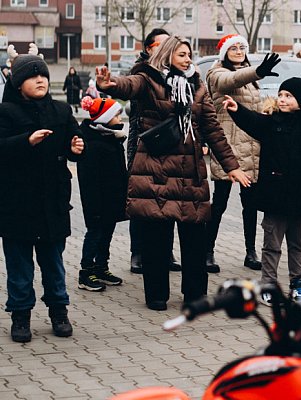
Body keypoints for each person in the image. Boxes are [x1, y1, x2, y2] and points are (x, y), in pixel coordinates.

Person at [95, 35, 251, 311]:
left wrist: (233, 167)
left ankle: (195, 295)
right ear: (167, 56)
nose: (188, 59)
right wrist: (109, 85)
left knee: (194, 237)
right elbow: (128, 86)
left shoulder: (197, 85)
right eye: (182, 54)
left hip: (190, 171)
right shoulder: (148, 78)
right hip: (155, 168)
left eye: (189, 54)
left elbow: (213, 130)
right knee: (156, 236)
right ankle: (156, 296)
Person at [224, 76, 301, 301]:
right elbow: (254, 122)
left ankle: (298, 284)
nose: (282, 100)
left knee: (298, 245)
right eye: (281, 95)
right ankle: (268, 285)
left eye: (288, 96)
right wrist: (237, 110)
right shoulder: (273, 122)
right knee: (271, 245)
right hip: (275, 196)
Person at [0, 54, 85, 342]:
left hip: (53, 202)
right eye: (32, 76)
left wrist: (76, 147)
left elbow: (74, 141)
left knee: (53, 263)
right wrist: (26, 141)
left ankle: (59, 312)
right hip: (16, 204)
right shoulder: (6, 112)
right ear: (18, 82)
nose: (40, 80)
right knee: (20, 266)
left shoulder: (60, 111)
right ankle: (21, 317)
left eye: (43, 76)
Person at [206, 34, 279, 273]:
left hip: (250, 147)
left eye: (242, 47)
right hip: (227, 146)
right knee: (220, 202)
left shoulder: (251, 77)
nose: (238, 51)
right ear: (224, 52)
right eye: (233, 48)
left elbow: (255, 109)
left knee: (250, 204)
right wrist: (258, 71)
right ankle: (208, 251)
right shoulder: (216, 73)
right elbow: (231, 81)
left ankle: (250, 252)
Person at [126, 28, 182, 275]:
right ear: (149, 48)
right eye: (160, 44)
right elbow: (128, 87)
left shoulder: (176, 73)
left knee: (167, 199)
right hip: (143, 142)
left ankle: (165, 252)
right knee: (141, 200)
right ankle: (137, 253)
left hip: (170, 144)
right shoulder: (141, 71)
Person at [76, 96, 127, 292]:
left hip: (112, 198)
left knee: (107, 233)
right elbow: (89, 180)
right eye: (116, 114)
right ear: (105, 118)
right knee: (95, 233)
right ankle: (86, 271)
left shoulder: (111, 137)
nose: (120, 116)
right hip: (97, 201)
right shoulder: (93, 144)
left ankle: (101, 267)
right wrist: (94, 206)